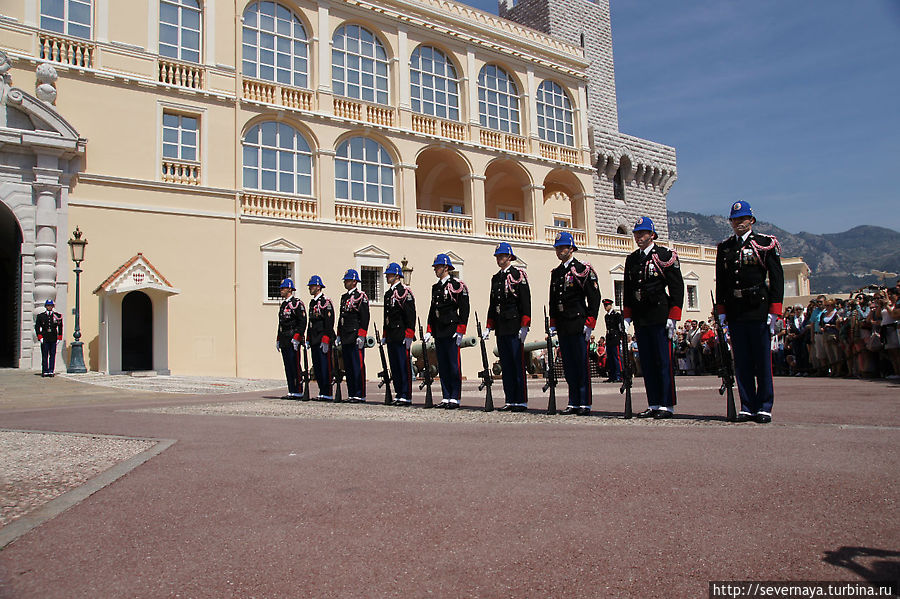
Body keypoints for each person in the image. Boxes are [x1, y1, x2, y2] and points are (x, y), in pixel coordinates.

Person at [715, 200, 784, 423]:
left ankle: (764, 405)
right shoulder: (725, 247)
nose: (738, 223)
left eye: (742, 219)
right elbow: (722, 282)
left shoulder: (764, 244)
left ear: (751, 220)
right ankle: (747, 404)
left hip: (758, 307)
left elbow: (776, 278)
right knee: (742, 361)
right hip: (736, 310)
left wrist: (774, 310)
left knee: (762, 360)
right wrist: (722, 310)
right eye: (734, 219)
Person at [623, 217, 684, 419]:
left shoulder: (664, 255)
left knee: (662, 361)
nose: (639, 237)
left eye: (642, 233)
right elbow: (628, 290)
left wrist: (673, 316)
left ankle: (666, 403)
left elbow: (676, 286)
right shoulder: (632, 260)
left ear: (652, 235)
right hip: (641, 317)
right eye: (637, 233)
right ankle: (654, 402)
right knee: (647, 362)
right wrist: (627, 315)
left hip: (659, 314)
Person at [549, 231, 601, 415]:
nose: (559, 250)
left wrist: (590, 322)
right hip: (563, 323)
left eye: (562, 247)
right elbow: (553, 299)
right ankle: (573, 401)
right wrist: (553, 322)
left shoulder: (582, 269)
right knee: (568, 365)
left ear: (571, 248)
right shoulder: (556, 273)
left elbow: (594, 298)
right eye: (557, 247)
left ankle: (584, 401)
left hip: (578, 321)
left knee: (581, 364)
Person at [483, 242, 531, 412]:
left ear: (509, 257)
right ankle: (510, 398)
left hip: (514, 325)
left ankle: (521, 400)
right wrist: (489, 325)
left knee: (517, 364)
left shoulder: (518, 274)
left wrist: (525, 325)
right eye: (497, 256)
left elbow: (525, 301)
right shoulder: (496, 278)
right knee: (506, 365)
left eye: (502, 256)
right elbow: (492, 303)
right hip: (502, 326)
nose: (499, 259)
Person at [424, 253, 470, 409]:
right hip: (439, 330)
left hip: (451, 329)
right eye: (435, 267)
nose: (435, 269)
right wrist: (429, 329)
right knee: (442, 366)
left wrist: (461, 329)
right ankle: (446, 396)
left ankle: (455, 397)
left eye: (437, 267)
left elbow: (464, 308)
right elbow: (433, 310)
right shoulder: (435, 287)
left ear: (445, 267)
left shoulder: (456, 285)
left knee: (453, 365)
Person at [381, 262, 416, 406]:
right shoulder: (388, 294)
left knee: (403, 366)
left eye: (389, 274)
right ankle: (398, 393)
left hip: (401, 333)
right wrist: (384, 334)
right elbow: (386, 316)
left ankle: (406, 394)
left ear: (396, 275)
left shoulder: (404, 292)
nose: (387, 277)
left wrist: (409, 334)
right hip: (391, 334)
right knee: (394, 365)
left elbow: (410, 315)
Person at [338, 269, 370, 402]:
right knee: (348, 366)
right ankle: (351, 393)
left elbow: (364, 317)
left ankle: (359, 393)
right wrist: (339, 334)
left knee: (357, 365)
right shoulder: (344, 297)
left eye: (348, 280)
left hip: (355, 335)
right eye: (345, 280)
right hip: (346, 335)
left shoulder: (361, 296)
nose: (345, 282)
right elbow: (342, 318)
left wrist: (362, 335)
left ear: (354, 281)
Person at [275, 278, 307, 399]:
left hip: (293, 338)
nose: (281, 290)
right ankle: (291, 390)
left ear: (289, 289)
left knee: (295, 365)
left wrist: (297, 337)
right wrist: (278, 338)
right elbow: (281, 323)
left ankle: (298, 390)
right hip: (284, 338)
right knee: (287, 365)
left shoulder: (297, 303)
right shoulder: (283, 305)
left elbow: (302, 321)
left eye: (283, 288)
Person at [306, 275, 335, 400]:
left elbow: (329, 322)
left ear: (318, 287)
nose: (310, 288)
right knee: (317, 366)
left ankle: (327, 392)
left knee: (325, 366)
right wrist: (308, 338)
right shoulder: (312, 303)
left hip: (323, 338)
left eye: (312, 286)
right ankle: (321, 391)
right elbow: (310, 323)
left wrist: (326, 339)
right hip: (314, 338)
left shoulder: (325, 302)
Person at [35, 299, 63, 377]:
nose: (49, 307)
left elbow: (60, 326)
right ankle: (45, 370)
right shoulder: (41, 316)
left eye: (50, 305)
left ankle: (51, 370)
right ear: (46, 306)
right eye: (48, 305)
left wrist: (59, 337)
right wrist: (40, 336)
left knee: (52, 355)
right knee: (44, 355)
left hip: (53, 338)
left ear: (53, 306)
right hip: (45, 338)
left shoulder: (57, 316)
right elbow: (37, 327)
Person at [602, 298, 624, 382]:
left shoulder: (616, 315)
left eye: (606, 305)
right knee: (610, 358)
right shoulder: (606, 316)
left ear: (611, 305)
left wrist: (620, 337)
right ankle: (612, 375)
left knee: (616, 357)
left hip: (615, 338)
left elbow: (619, 327)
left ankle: (619, 375)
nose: (605, 307)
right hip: (609, 338)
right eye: (604, 305)